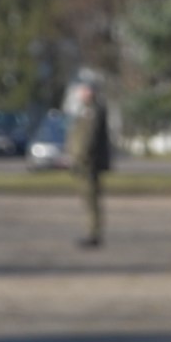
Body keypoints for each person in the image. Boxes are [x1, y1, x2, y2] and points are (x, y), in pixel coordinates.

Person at [63, 72, 113, 248]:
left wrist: (79, 157)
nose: (81, 93)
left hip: (88, 162)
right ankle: (92, 231)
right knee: (88, 198)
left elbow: (87, 138)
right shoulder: (85, 108)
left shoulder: (92, 109)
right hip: (84, 161)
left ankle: (94, 233)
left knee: (91, 198)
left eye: (84, 90)